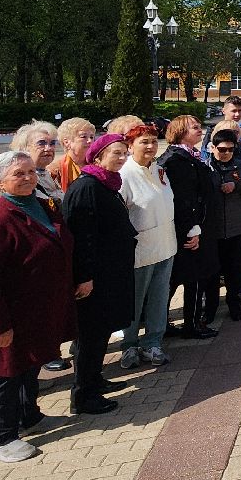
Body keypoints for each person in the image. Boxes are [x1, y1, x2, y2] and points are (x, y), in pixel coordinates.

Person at [0, 151, 77, 462]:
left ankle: (29, 417)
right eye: (19, 174)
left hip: (39, 308)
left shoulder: (42, 204)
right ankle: (2, 438)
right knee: (7, 372)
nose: (29, 178)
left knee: (31, 363)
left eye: (31, 171)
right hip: (11, 314)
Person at [61, 133, 137, 416]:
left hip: (110, 272)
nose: (122, 158)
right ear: (98, 156)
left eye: (124, 153)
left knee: (101, 331)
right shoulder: (87, 187)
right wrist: (84, 276)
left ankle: (94, 379)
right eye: (116, 152)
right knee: (90, 335)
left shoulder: (107, 183)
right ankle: (83, 395)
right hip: (94, 277)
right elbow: (80, 236)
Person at [115, 119, 177, 369]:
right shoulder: (124, 174)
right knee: (134, 301)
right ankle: (129, 345)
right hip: (140, 250)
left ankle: (153, 342)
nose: (151, 146)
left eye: (153, 141)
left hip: (165, 245)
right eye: (144, 142)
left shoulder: (159, 170)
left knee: (159, 299)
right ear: (130, 146)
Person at [159, 115, 217, 337]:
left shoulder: (191, 156)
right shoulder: (175, 160)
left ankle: (173, 323)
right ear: (181, 131)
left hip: (196, 228)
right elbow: (183, 199)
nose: (200, 130)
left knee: (184, 279)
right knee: (186, 279)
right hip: (187, 231)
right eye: (195, 127)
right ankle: (189, 325)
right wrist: (191, 229)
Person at [204, 124, 241, 321]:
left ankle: (233, 303)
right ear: (213, 148)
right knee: (211, 273)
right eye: (222, 149)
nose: (226, 153)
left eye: (230, 149)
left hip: (236, 228)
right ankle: (209, 309)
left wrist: (236, 186)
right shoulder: (205, 168)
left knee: (233, 270)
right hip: (213, 230)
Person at [53, 117, 96, 195]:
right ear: (67, 142)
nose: (90, 141)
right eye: (83, 137)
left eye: (92, 137)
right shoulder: (55, 170)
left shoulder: (98, 165)